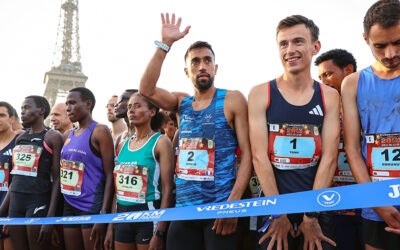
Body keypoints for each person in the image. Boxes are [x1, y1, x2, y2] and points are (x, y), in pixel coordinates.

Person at [139, 13, 252, 250]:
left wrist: (232, 206)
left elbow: (248, 157)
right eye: (195, 62)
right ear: (186, 71)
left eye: (207, 61)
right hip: (184, 211)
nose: (202, 66)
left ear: (215, 67)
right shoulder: (182, 103)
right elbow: (146, 89)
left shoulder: (232, 99)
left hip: (219, 210)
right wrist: (165, 44)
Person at [248, 15, 340, 250]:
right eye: (283, 44)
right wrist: (277, 213)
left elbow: (329, 158)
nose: (290, 50)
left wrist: (312, 214)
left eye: (298, 41)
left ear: (315, 46)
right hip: (274, 207)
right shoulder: (260, 93)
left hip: (316, 209)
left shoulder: (329, 96)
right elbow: (259, 157)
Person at [341, 0, 400, 249]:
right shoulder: (353, 84)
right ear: (366, 40)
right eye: (380, 45)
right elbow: (353, 148)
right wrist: (377, 202)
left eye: (398, 43)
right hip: (377, 204)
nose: (390, 54)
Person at [105, 93, 174, 250]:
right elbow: (118, 190)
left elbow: (167, 189)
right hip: (122, 217)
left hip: (148, 216)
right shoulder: (122, 145)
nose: (131, 111)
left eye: (137, 106)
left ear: (152, 112)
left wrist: (160, 232)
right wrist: (111, 226)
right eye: (129, 107)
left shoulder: (161, 142)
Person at [0, 96, 63, 250]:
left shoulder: (52, 137)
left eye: (26, 108)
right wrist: (3, 211)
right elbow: (14, 177)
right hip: (15, 204)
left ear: (41, 111)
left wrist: (50, 219)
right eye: (21, 108)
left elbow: (57, 180)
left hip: (37, 202)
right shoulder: (20, 139)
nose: (22, 112)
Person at [315, 49, 363, 250]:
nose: (323, 82)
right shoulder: (319, 114)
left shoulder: (369, 108)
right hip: (333, 206)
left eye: (328, 74)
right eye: (319, 77)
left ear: (349, 70)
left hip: (369, 207)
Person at [61, 87, 114, 250]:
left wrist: (103, 214)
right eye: (66, 104)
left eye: (72, 103)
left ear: (88, 104)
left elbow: (110, 175)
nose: (68, 108)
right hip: (69, 203)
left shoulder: (100, 131)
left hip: (91, 206)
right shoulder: (68, 134)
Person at [0, 102, 18, 250]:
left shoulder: (19, 142)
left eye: (2, 115)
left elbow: (20, 180)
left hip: (10, 213)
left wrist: (10, 214)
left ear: (12, 119)